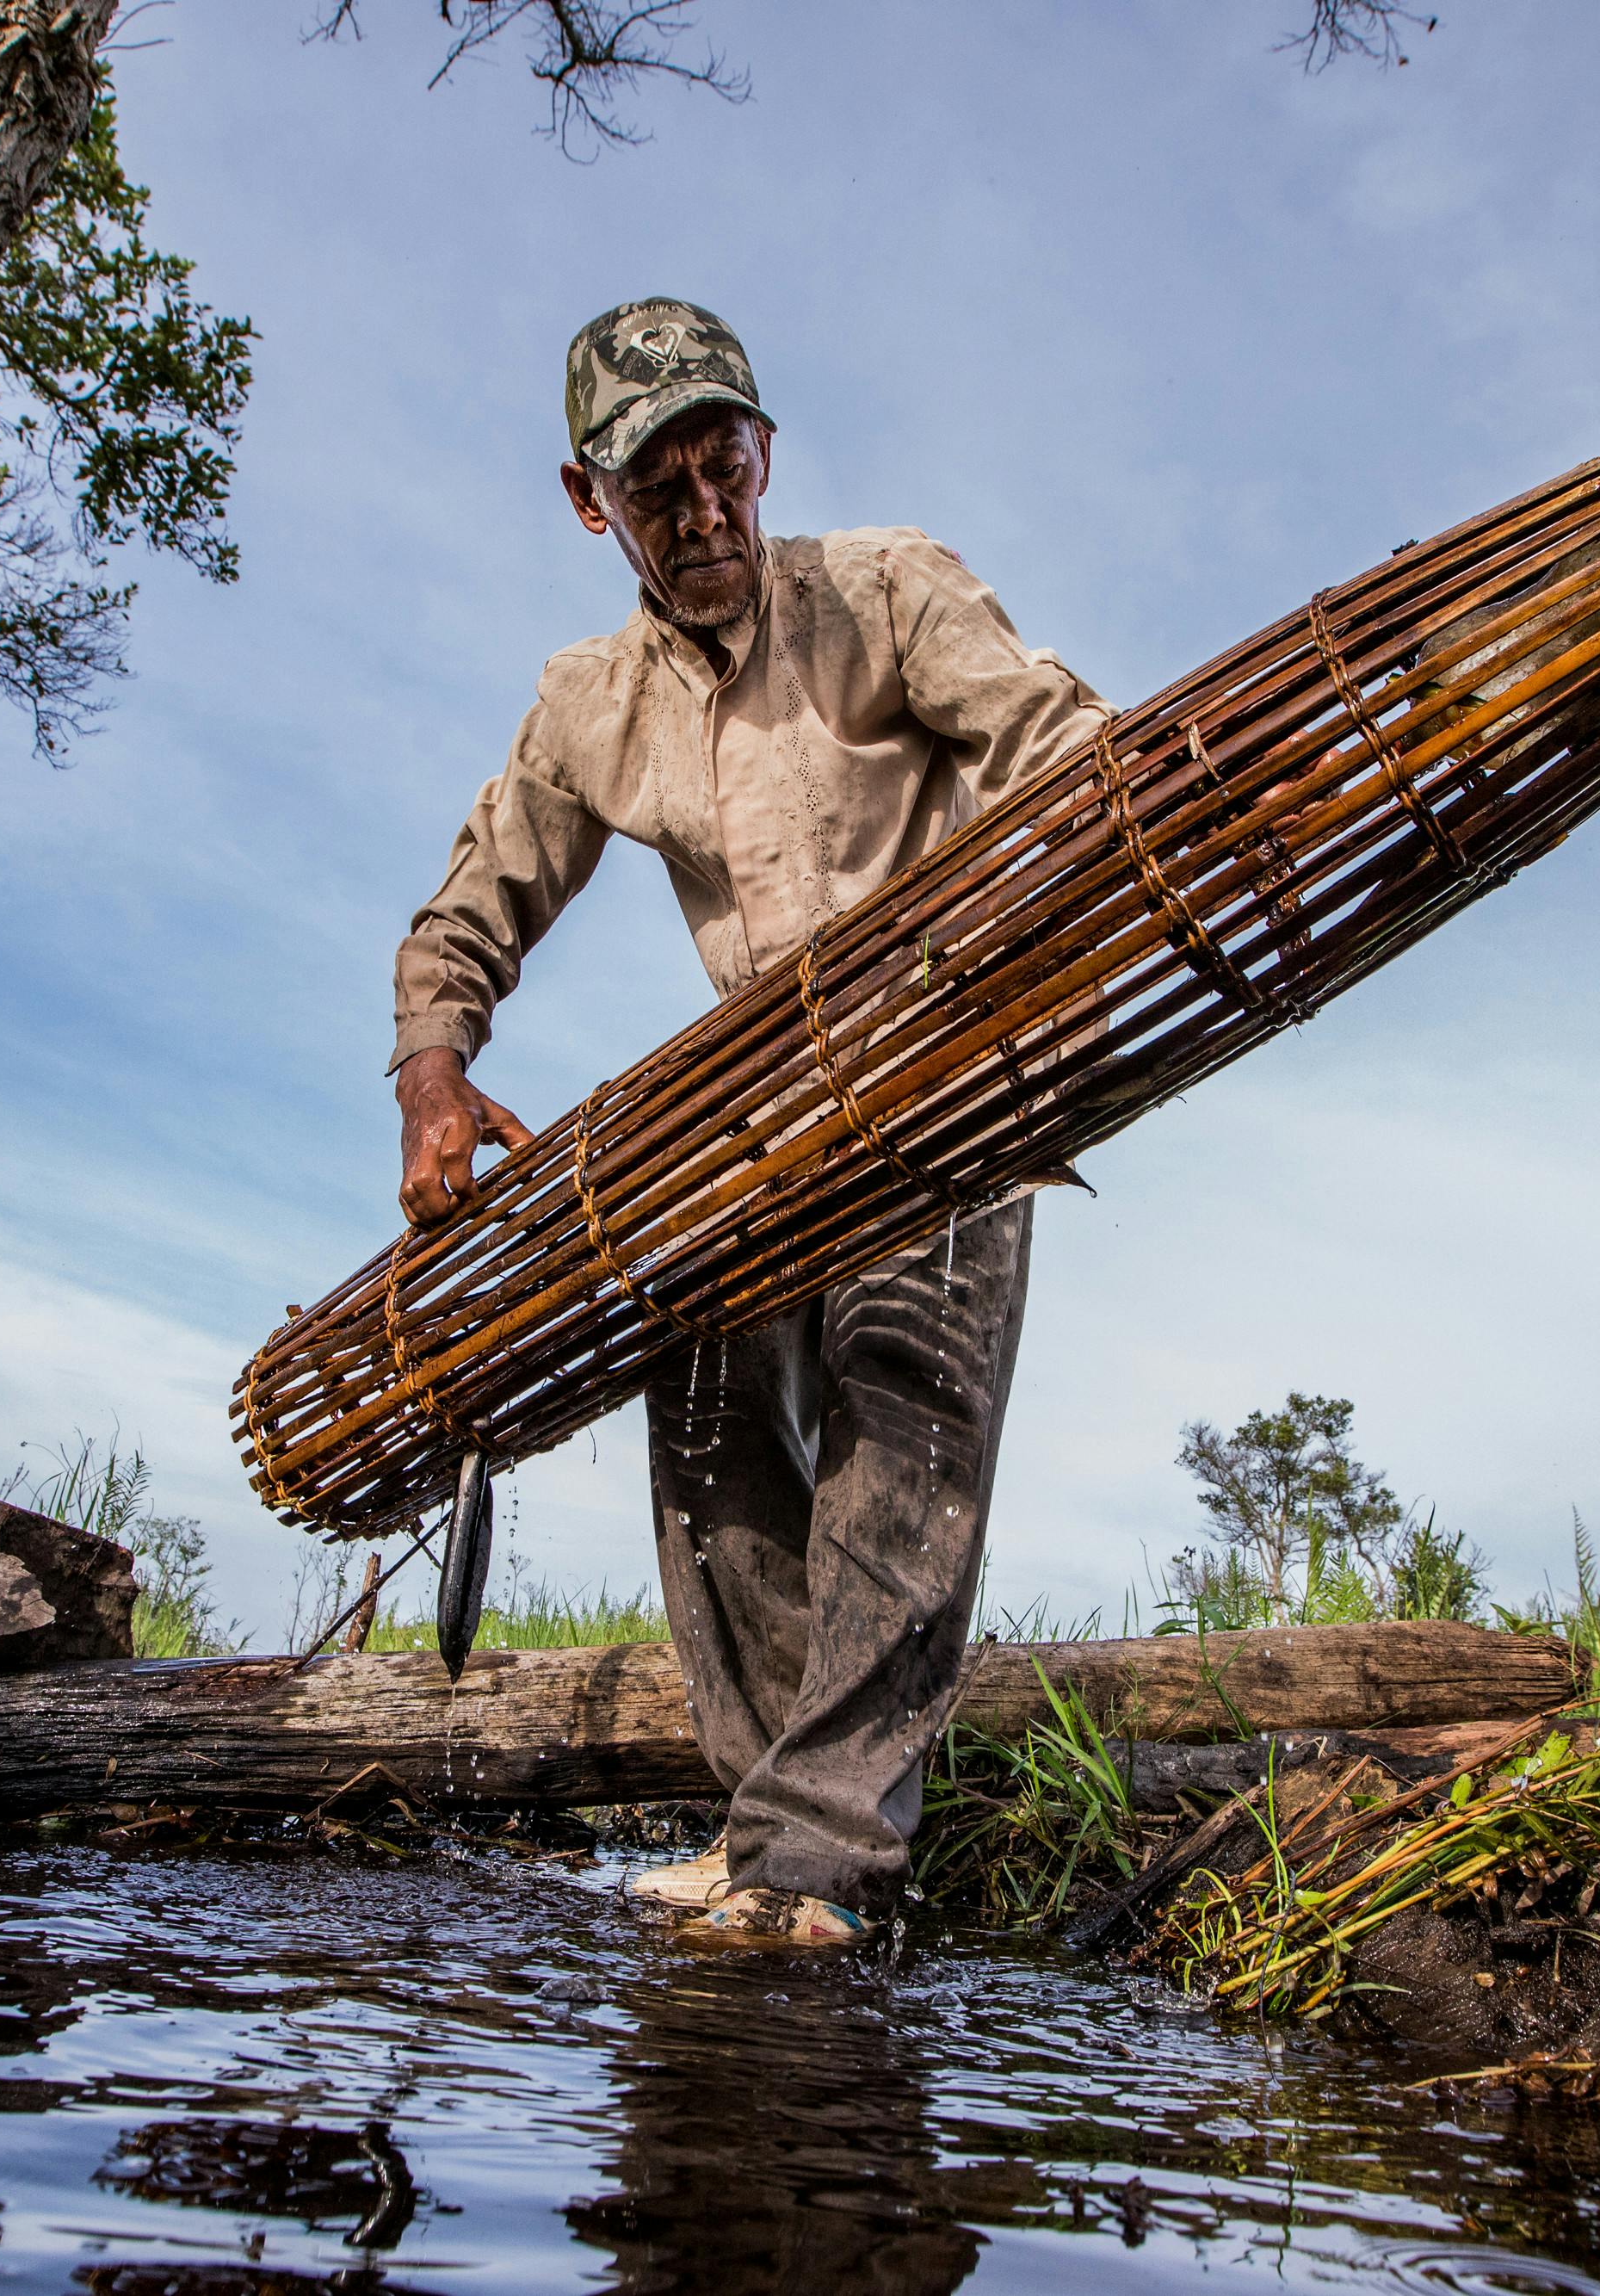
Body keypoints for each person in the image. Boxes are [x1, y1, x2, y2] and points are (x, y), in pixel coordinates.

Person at [386, 297, 1105, 1946]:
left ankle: (827, 1858)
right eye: (661, 489)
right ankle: (778, 1820)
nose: (707, 516)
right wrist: (435, 1072)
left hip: (948, 1052)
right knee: (700, 1398)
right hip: (764, 1095)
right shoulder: (590, 704)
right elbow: (461, 922)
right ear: (592, 503)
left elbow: (1067, 748)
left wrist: (1030, 931)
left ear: (765, 453)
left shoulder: (888, 593)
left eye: (729, 469)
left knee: (901, 1401)